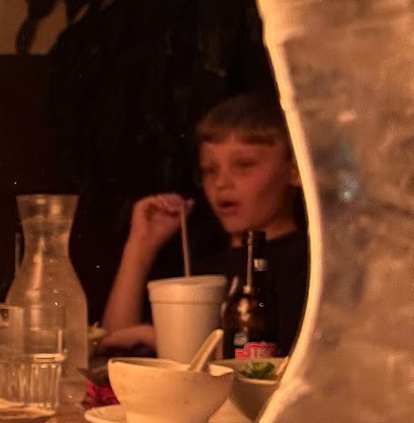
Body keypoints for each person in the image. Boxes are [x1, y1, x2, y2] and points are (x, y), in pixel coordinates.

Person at [102, 93, 309, 357]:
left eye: (244, 165)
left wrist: (164, 340)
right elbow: (115, 346)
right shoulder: (205, 271)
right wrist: (141, 247)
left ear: (295, 171)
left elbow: (277, 365)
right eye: (210, 169)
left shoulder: (310, 268)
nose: (221, 183)